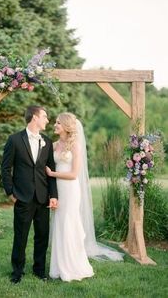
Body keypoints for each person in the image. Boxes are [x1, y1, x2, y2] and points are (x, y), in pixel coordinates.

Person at [46, 112, 123, 282]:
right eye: (55, 122)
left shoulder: (75, 146)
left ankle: (73, 266)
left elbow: (74, 174)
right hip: (57, 190)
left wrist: (52, 173)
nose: (55, 125)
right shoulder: (54, 145)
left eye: (58, 122)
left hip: (70, 190)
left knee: (69, 224)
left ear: (66, 126)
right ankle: (58, 267)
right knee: (59, 225)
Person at [1, 105, 58, 284]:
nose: (47, 120)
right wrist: (11, 192)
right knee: (21, 236)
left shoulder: (47, 142)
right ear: (34, 117)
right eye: (45, 116)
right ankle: (17, 271)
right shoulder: (15, 140)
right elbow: (5, 168)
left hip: (42, 197)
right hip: (23, 197)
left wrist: (53, 195)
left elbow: (51, 171)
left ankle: (39, 270)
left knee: (42, 236)